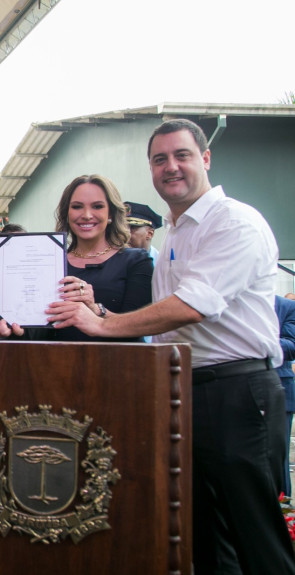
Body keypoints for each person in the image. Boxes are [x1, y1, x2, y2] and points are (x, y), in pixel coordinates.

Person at [45, 119, 295, 573]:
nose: (170, 167)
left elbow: (192, 306)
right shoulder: (177, 232)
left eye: (181, 155)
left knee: (255, 534)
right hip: (186, 392)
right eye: (160, 159)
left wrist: (104, 325)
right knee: (205, 537)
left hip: (237, 393)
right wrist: (97, 311)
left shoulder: (234, 222)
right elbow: (163, 325)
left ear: (205, 158)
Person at [48, 175, 152, 342]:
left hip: (117, 363)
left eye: (97, 206)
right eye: (77, 207)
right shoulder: (50, 262)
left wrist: (95, 309)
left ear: (110, 213)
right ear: (66, 213)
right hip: (57, 363)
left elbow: (139, 326)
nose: (87, 215)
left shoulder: (137, 261)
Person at [276, 294, 295, 496]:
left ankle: (283, 512)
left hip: (280, 390)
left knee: (278, 457)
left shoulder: (287, 307)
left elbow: (292, 345)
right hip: (233, 390)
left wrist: (258, 338)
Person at [124, 201, 163, 265]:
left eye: (132, 228)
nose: (125, 233)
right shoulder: (112, 261)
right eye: (122, 228)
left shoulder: (161, 264)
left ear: (150, 233)